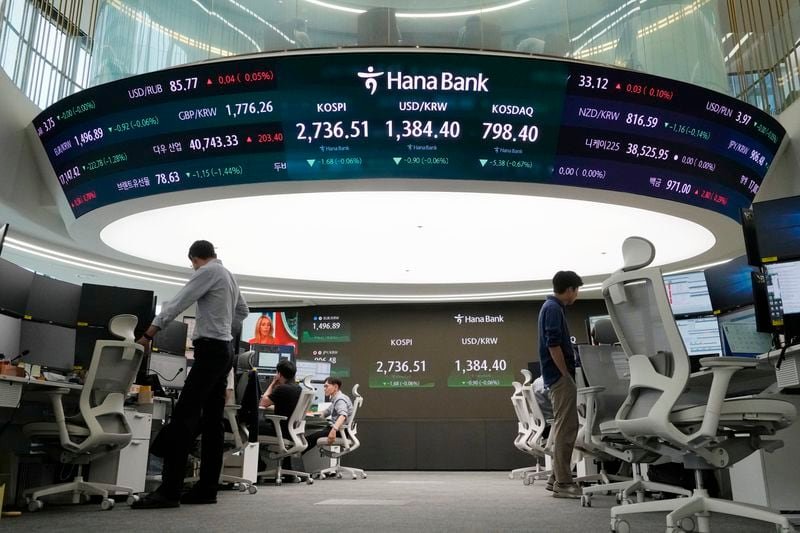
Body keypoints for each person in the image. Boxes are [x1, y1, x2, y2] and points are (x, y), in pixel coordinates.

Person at [132, 240, 249, 509]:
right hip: (223, 351)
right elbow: (243, 311)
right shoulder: (229, 275)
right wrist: (223, 327)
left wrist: (149, 334)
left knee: (184, 417)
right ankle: (207, 489)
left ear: (195, 258)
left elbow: (178, 301)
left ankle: (169, 491)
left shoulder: (207, 272)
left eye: (192, 263)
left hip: (210, 350)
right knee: (212, 423)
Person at [538, 270, 583, 498]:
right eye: (577, 290)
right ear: (570, 289)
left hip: (555, 377)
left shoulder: (551, 308)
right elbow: (553, 344)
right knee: (567, 429)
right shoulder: (553, 309)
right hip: (559, 377)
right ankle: (564, 484)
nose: (577, 295)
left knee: (563, 427)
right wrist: (565, 374)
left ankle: (555, 478)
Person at [258, 359, 302, 478]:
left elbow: (262, 403)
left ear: (279, 374)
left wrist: (272, 383)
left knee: (250, 428)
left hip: (280, 431)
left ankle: (258, 466)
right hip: (292, 431)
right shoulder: (298, 389)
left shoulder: (282, 389)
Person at [303, 377, 353, 457]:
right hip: (339, 430)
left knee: (309, 439)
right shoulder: (336, 398)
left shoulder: (340, 399)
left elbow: (343, 415)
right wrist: (310, 413)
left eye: (326, 386)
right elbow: (326, 412)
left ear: (335, 387)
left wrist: (333, 430)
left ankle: (294, 457)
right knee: (309, 438)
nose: (324, 389)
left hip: (339, 431)